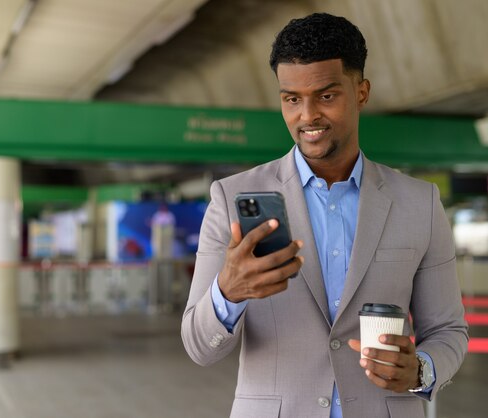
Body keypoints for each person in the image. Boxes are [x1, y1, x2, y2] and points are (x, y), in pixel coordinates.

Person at [181, 12, 468, 418]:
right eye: (292, 99)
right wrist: (228, 293)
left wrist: (421, 369)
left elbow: (447, 331)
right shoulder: (232, 198)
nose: (307, 116)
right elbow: (198, 347)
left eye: (326, 96)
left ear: (361, 92)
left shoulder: (419, 202)